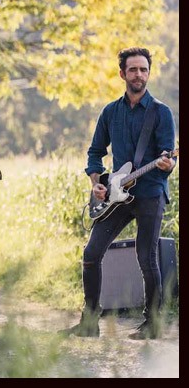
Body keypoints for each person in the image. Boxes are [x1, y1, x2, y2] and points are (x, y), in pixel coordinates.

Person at [59, 47, 176, 340]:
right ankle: (89, 321)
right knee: (91, 253)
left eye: (144, 69)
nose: (139, 75)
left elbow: (167, 159)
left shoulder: (160, 112)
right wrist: (97, 182)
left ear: (149, 73)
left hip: (150, 193)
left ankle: (153, 325)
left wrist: (168, 163)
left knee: (146, 256)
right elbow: (95, 152)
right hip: (116, 195)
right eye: (133, 69)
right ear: (122, 73)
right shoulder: (110, 112)